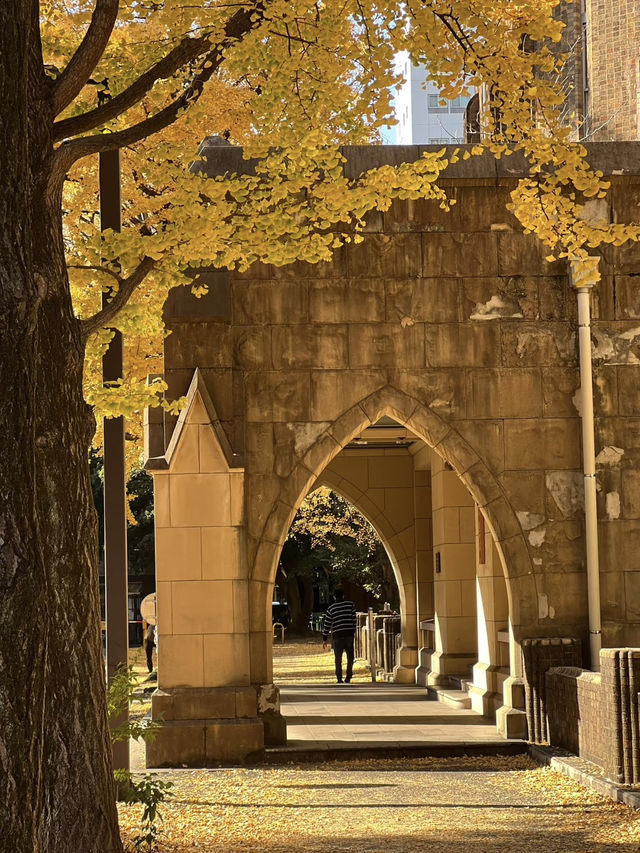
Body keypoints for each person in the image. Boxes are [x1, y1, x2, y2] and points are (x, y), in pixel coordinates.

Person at [322, 589, 357, 683]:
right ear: (343, 596)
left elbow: (327, 624)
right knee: (350, 657)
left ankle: (339, 678)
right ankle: (348, 676)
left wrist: (324, 639)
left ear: (334, 597)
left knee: (338, 658)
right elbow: (354, 620)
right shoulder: (350, 605)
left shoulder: (331, 608)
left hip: (337, 635)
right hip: (349, 634)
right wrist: (353, 631)